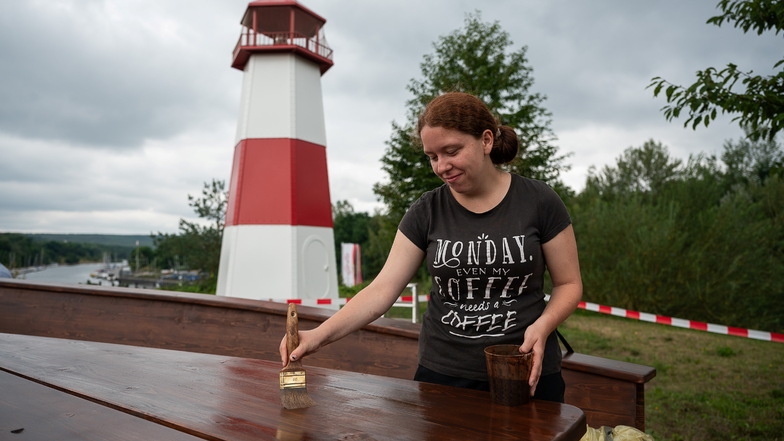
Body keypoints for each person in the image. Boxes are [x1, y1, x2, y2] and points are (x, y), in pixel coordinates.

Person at [280, 92, 582, 402]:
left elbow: (569, 284)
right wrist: (317, 336)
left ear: (486, 140)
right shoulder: (427, 211)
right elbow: (382, 290)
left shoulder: (539, 201)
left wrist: (544, 325)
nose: (441, 166)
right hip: (444, 377)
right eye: (432, 156)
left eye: (451, 151)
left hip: (526, 372)